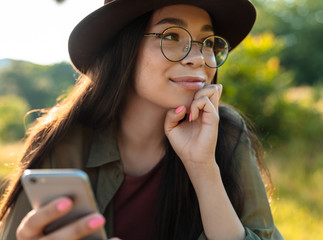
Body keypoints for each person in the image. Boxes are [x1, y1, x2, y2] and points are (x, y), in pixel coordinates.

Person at [0, 0, 283, 239]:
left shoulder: (227, 131)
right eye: (172, 36)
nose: (198, 58)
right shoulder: (63, 141)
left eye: (207, 42)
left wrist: (203, 166)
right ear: (124, 47)